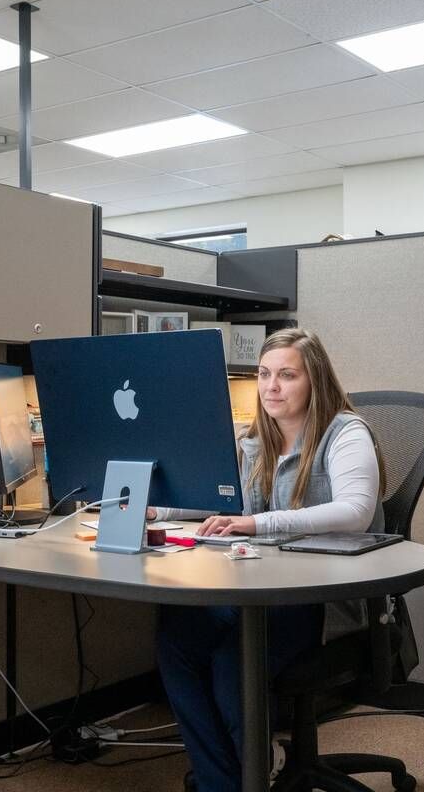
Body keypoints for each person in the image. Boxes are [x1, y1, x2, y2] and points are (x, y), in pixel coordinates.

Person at [148, 328, 385, 792]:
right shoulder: (254, 440)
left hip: (319, 599)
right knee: (176, 637)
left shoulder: (345, 432)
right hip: (258, 589)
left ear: (314, 380)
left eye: (287, 375)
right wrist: (160, 508)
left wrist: (257, 524)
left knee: (232, 661)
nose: (271, 386)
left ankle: (244, 774)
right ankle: (229, 781)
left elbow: (355, 512)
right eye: (263, 374)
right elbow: (214, 494)